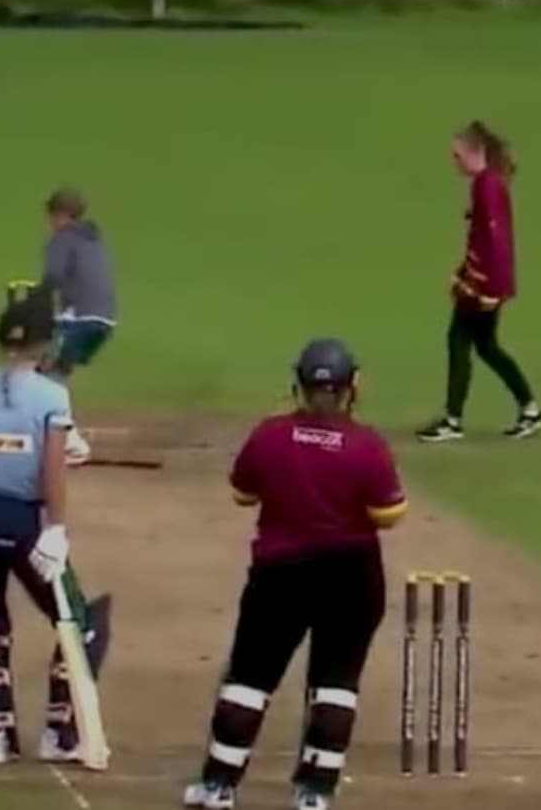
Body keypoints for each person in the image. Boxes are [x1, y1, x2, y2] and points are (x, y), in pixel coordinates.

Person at [183, 338, 405, 810]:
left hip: (281, 572)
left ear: (298, 385)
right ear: (353, 388)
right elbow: (388, 514)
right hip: (352, 573)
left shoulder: (269, 435)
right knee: (336, 682)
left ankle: (219, 786)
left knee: (249, 677)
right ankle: (314, 793)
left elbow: (243, 494)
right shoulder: (368, 447)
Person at [0, 286, 112, 766]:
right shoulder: (52, 395)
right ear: (45, 344)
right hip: (23, 522)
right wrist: (55, 528)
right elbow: (52, 468)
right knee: (81, 622)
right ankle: (60, 731)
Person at [417, 121, 541, 443]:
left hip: (485, 286)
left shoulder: (486, 185)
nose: (455, 162)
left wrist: (488, 288)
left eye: (458, 155)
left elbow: (495, 240)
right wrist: (463, 272)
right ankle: (529, 409)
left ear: (475, 152)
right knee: (485, 347)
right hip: (482, 281)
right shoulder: (488, 182)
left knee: (461, 341)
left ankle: (454, 419)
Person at [37, 188, 117, 466]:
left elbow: (53, 276)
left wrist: (38, 303)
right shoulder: (93, 239)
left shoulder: (62, 239)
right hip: (103, 319)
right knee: (57, 369)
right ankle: (54, 434)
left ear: (59, 215)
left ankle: (70, 442)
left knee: (47, 374)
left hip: (78, 317)